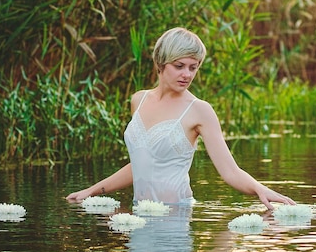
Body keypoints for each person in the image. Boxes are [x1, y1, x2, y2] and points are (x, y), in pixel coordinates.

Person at [66, 27, 295, 210]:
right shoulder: (139, 100)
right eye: (179, 66)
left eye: (193, 67)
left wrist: (260, 189)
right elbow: (142, 164)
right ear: (160, 63)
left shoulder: (199, 111)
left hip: (175, 214)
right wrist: (91, 191)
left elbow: (230, 171)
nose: (187, 74)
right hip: (140, 214)